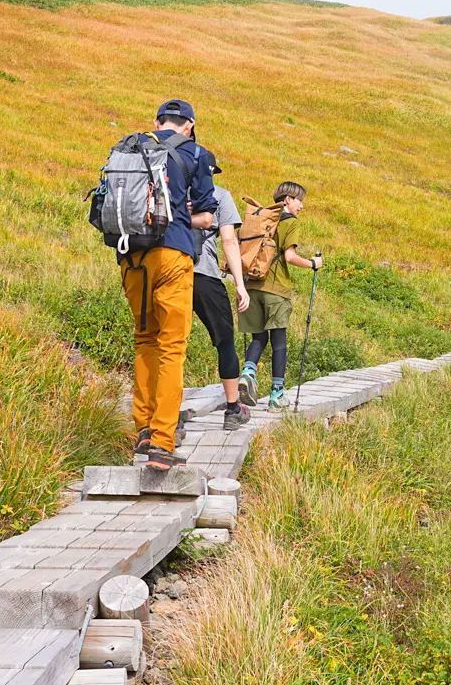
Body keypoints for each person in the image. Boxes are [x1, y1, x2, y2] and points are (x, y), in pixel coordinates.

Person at [120, 99, 216, 471]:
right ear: (189, 125)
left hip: (131, 256)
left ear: (157, 122)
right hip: (172, 256)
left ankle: (142, 427)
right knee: (172, 348)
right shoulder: (195, 153)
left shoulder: (132, 146)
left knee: (144, 339)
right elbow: (206, 216)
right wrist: (182, 217)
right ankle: (162, 442)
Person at [238, 180, 321, 409]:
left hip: (252, 285)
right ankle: (276, 396)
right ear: (287, 200)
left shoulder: (262, 219)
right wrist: (313, 263)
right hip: (276, 289)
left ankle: (247, 372)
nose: (301, 206)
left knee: (258, 337)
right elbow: (290, 257)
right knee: (279, 342)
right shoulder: (289, 222)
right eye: (299, 200)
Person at [190, 148, 255, 427]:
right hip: (203, 275)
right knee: (225, 341)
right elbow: (229, 242)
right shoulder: (219, 195)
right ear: (211, 171)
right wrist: (240, 285)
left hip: (166, 273)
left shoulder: (170, 190)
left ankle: (165, 415)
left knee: (166, 344)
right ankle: (232, 410)